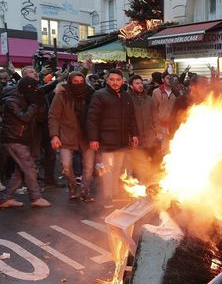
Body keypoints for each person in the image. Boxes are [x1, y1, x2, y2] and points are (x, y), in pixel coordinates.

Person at [87, 69, 139, 207]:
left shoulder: (126, 96)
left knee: (117, 168)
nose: (115, 82)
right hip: (106, 141)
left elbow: (132, 118)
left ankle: (115, 193)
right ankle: (107, 197)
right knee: (107, 170)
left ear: (122, 81)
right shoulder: (99, 95)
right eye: (112, 79)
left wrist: (134, 134)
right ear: (107, 80)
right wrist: (93, 139)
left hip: (121, 140)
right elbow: (92, 119)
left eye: (118, 80)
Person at [0, 71, 52, 207]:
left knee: (20, 171)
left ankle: (6, 198)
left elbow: (39, 116)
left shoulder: (25, 98)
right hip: (14, 139)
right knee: (28, 168)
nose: (35, 91)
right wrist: (34, 104)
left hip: (20, 138)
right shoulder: (12, 101)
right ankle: (35, 197)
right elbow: (24, 117)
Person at [48, 72, 95, 201]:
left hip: (86, 135)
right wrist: (54, 135)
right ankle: (73, 186)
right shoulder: (62, 96)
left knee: (89, 167)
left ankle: (86, 191)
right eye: (76, 81)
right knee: (66, 167)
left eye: (81, 81)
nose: (79, 84)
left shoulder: (90, 95)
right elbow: (53, 116)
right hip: (67, 135)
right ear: (70, 82)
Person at [127, 75, 160, 182]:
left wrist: (157, 132)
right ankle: (138, 186)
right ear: (131, 86)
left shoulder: (149, 99)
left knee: (151, 162)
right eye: (137, 83)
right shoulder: (127, 99)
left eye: (141, 83)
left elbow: (155, 117)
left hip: (150, 137)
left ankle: (151, 184)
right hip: (135, 138)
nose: (140, 85)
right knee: (137, 163)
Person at [152, 72, 177, 154]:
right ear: (162, 80)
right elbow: (154, 111)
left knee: (175, 147)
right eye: (168, 78)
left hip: (174, 125)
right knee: (164, 149)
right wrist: (157, 128)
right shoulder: (156, 92)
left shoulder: (176, 92)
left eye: (171, 78)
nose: (170, 80)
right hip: (162, 126)